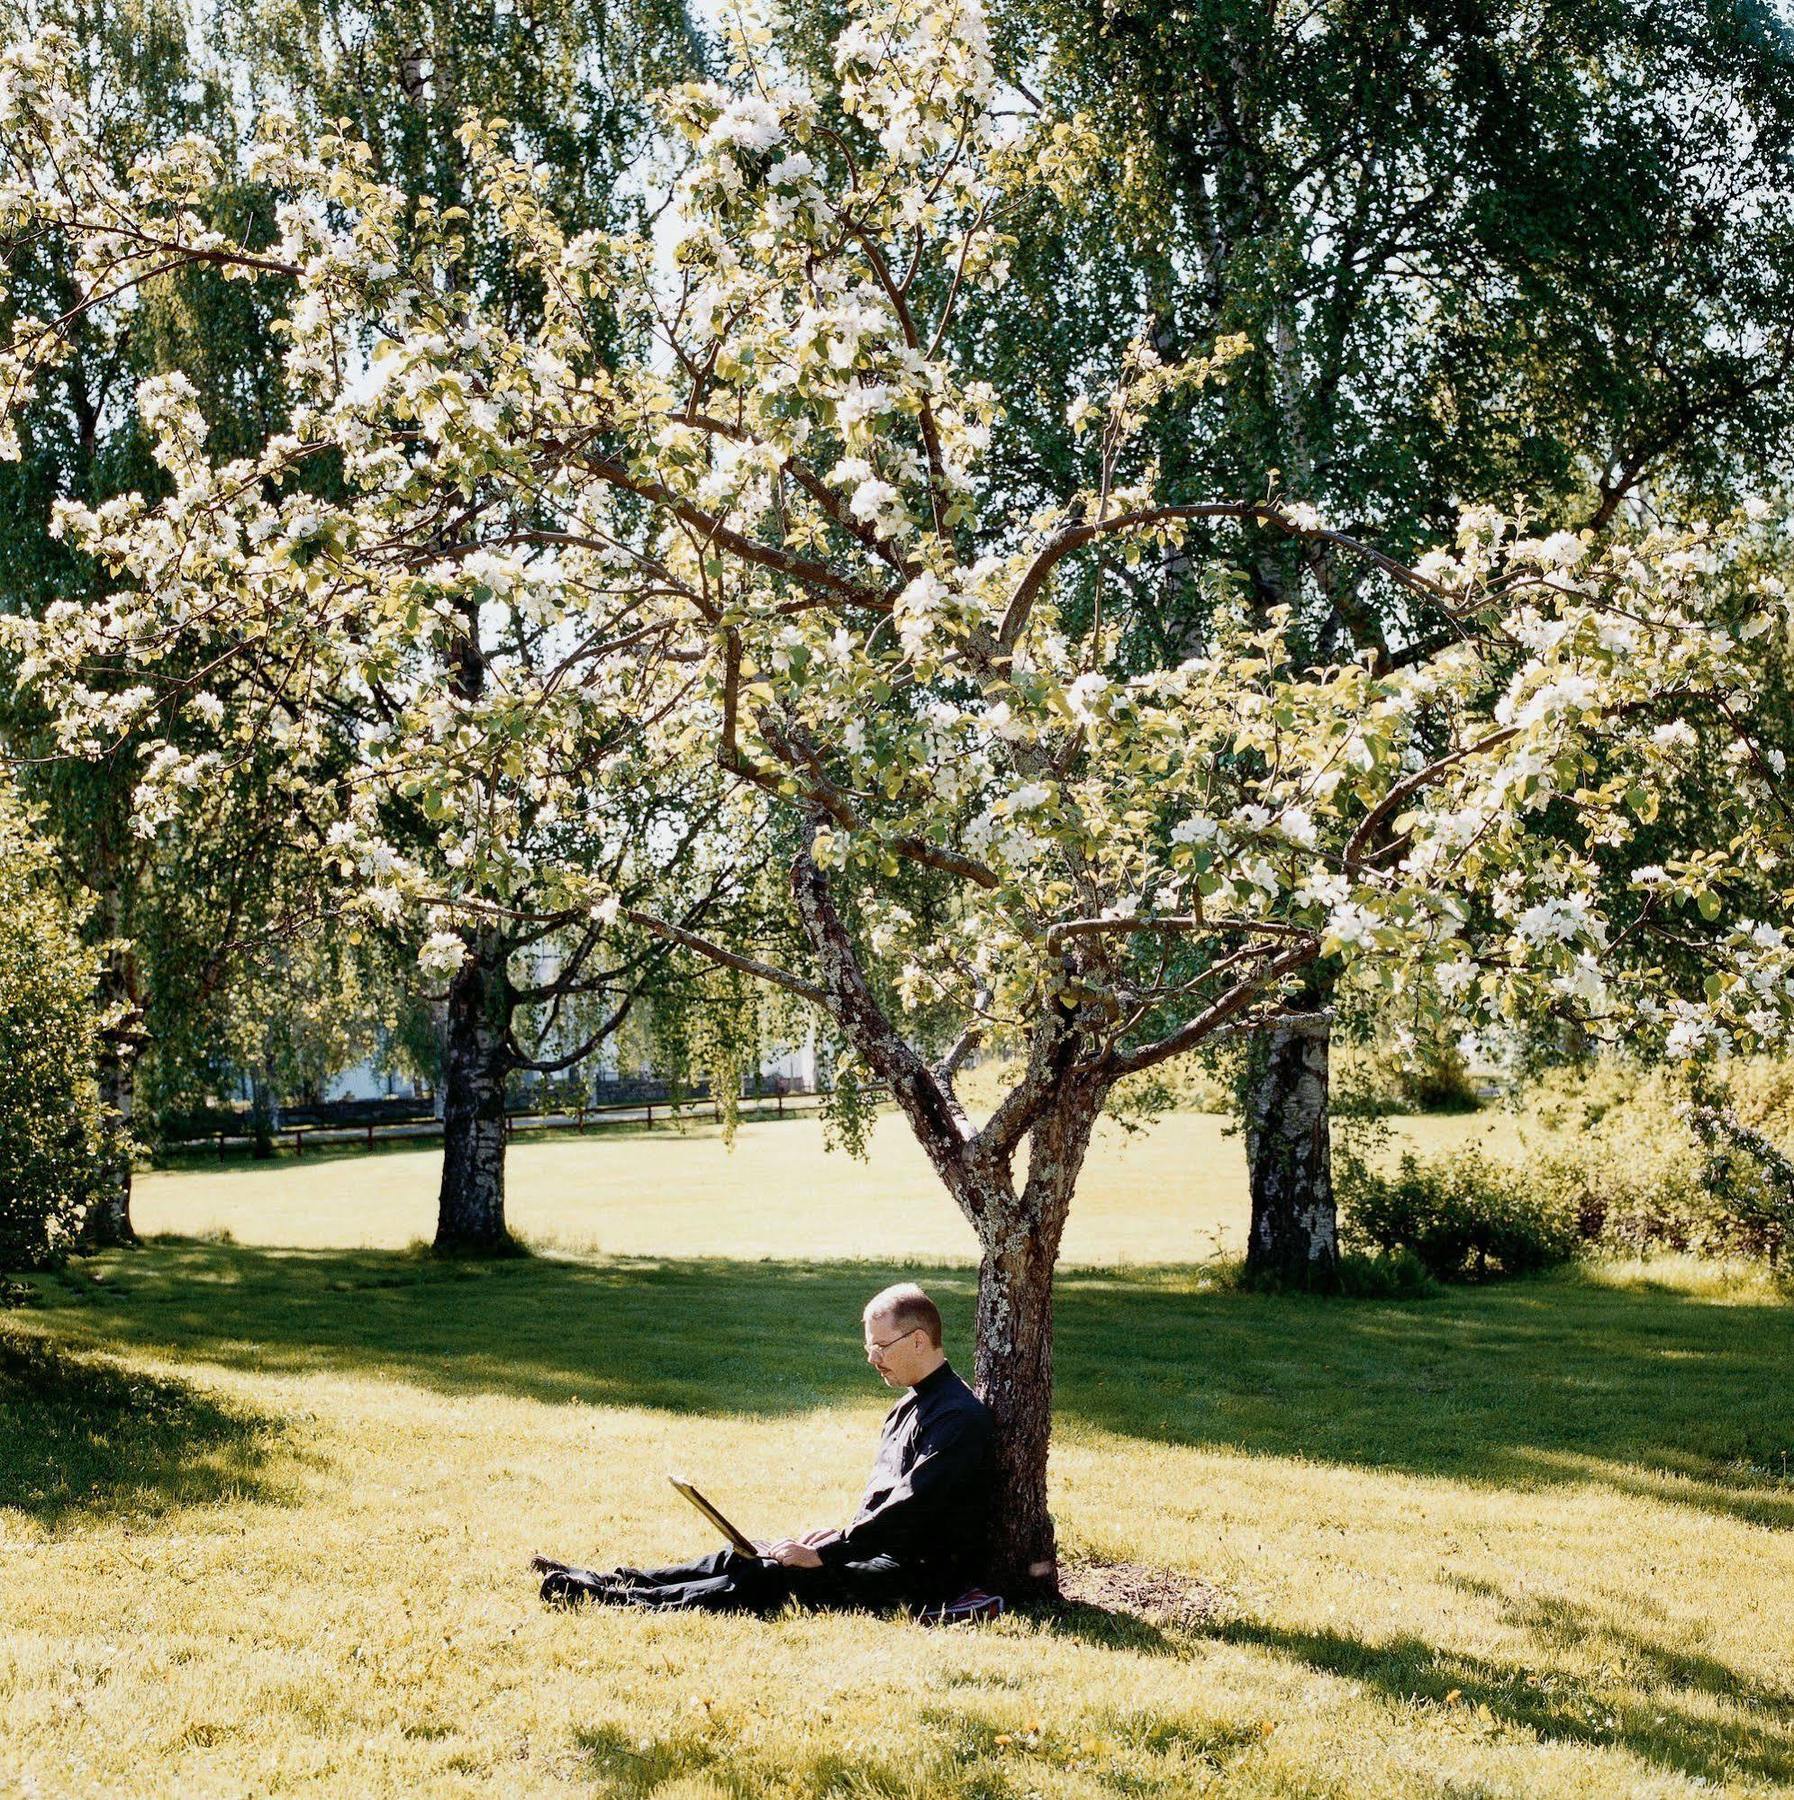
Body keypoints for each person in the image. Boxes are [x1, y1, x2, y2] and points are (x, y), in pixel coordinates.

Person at [535, 1281, 994, 1615]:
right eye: (868, 1347)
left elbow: (911, 1510)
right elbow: (883, 1506)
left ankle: (613, 1601)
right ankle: (606, 1579)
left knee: (770, 1577)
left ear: (918, 1340)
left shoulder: (957, 1417)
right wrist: (834, 1538)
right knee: (748, 1555)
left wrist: (829, 1554)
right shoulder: (906, 1408)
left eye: (880, 1347)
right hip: (874, 1551)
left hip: (918, 1575)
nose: (871, 1359)